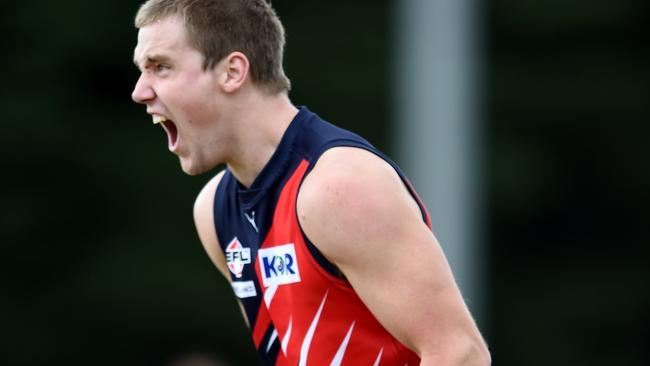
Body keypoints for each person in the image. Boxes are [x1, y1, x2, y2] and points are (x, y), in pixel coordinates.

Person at [131, 0, 491, 365]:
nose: (139, 91)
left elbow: (460, 354)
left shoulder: (337, 187)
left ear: (232, 71)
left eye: (161, 67)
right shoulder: (215, 210)